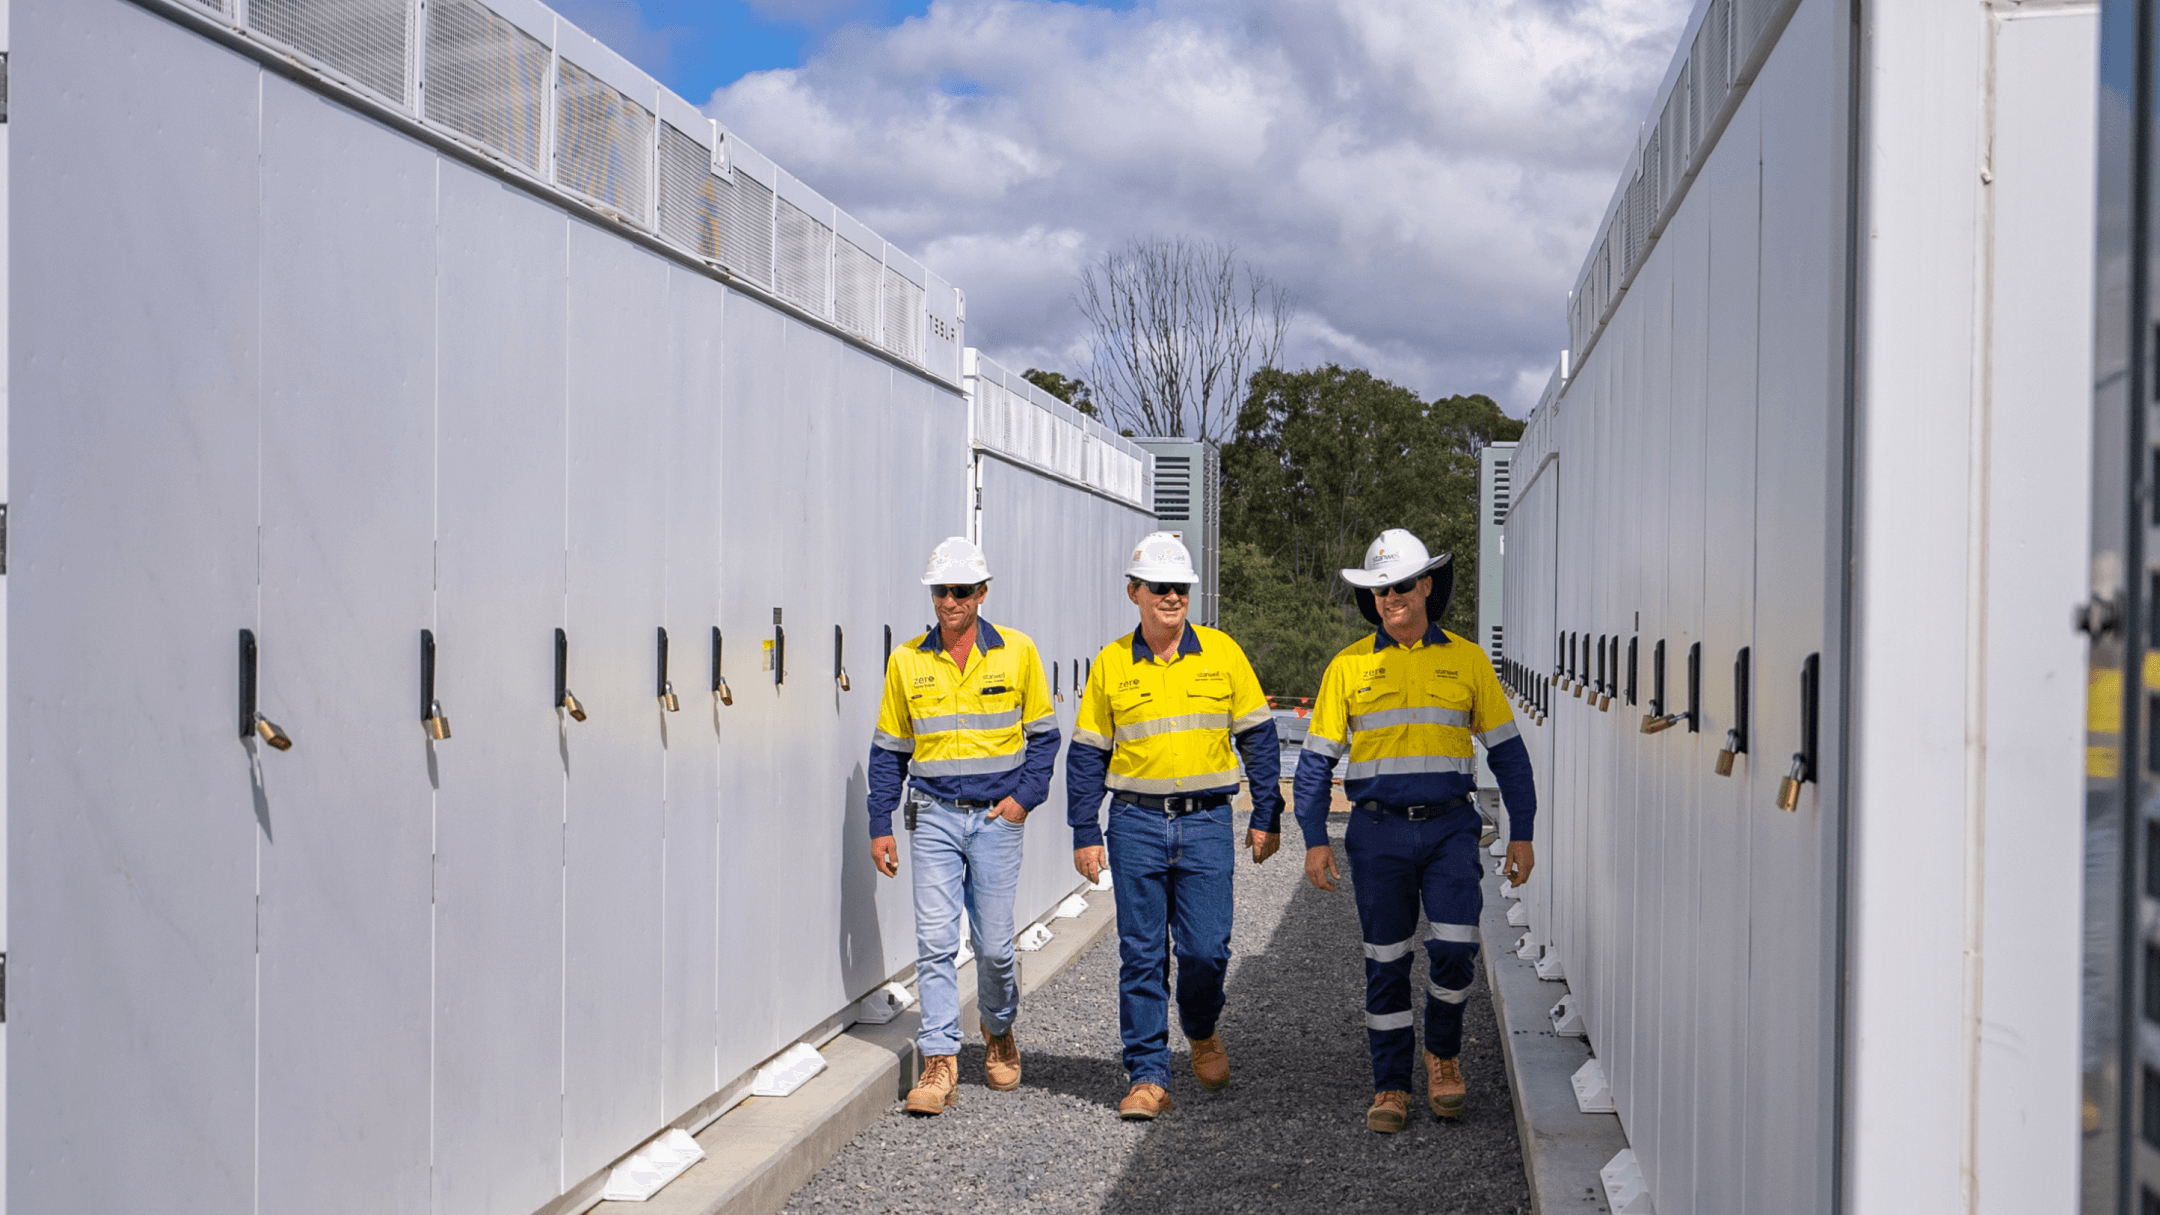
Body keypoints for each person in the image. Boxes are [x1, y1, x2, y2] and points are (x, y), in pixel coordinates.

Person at [1292, 528, 1537, 1132]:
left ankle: (1443, 1056)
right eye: (1380, 590)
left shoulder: (1468, 660)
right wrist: (1314, 839)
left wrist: (1523, 831)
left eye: (1402, 585)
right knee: (1386, 960)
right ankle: (1392, 1084)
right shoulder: (1348, 666)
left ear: (1426, 585)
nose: (1391, 597)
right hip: (1377, 834)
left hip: (1451, 829)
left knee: (1455, 948)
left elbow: (1509, 754)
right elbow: (1315, 763)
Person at [1066, 531, 1284, 1121]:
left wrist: (1267, 813)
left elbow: (1259, 739)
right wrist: (1084, 831)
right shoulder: (1112, 663)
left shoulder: (1223, 654)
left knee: (1207, 950)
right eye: (1160, 586)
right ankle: (1147, 1074)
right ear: (1134, 592)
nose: (1172, 596)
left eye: (1181, 587)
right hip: (1134, 824)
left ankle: (1202, 1028)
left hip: (1207, 823)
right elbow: (1086, 755)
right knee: (1141, 954)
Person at [867, 537, 1060, 1115]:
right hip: (933, 817)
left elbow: (1045, 738)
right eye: (940, 591)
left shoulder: (1017, 652)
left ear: (981, 593)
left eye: (960, 591)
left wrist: (1022, 801)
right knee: (934, 943)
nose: (948, 601)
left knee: (995, 947)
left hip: (997, 820)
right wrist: (880, 824)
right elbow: (888, 751)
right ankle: (940, 1060)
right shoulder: (907, 661)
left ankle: (997, 1029)